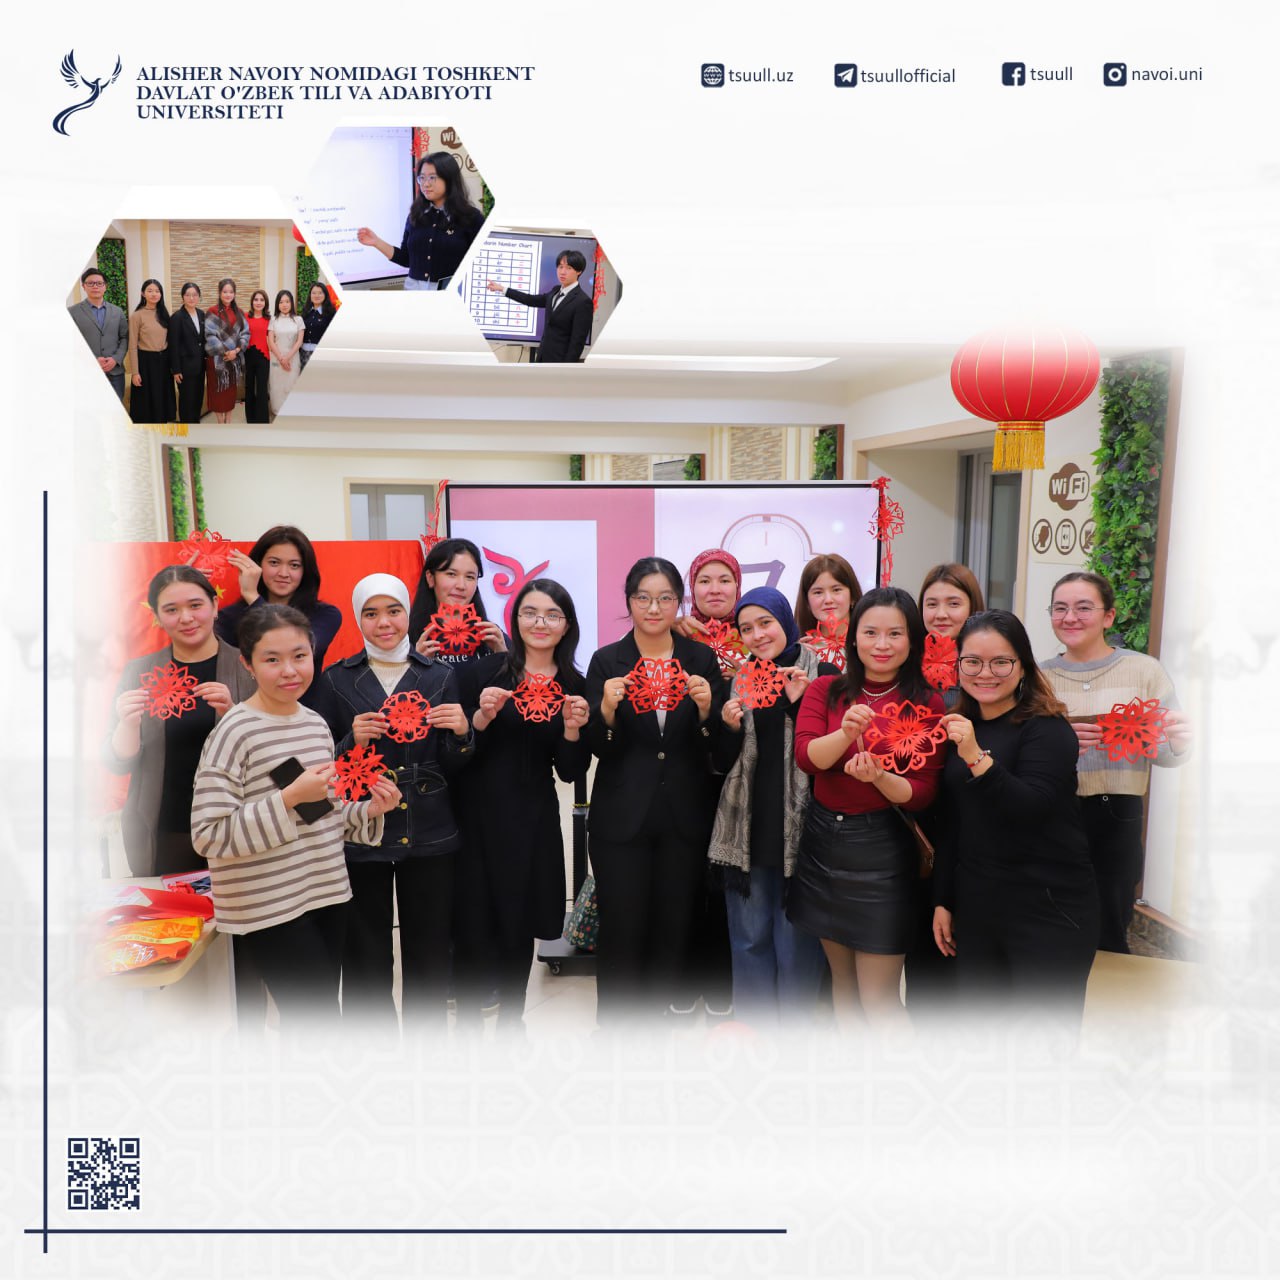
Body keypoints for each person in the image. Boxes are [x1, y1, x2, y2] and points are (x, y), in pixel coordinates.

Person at [191, 604, 400, 1029]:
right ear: (248, 664)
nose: (289, 671)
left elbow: (320, 815)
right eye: (272, 659)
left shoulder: (315, 724)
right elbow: (209, 834)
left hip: (325, 891)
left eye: (300, 656)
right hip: (268, 905)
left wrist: (370, 810)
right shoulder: (234, 730)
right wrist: (287, 798)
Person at [313, 575, 474, 1033]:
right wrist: (351, 740)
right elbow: (320, 763)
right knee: (364, 950)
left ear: (408, 613)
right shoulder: (336, 678)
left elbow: (455, 763)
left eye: (393, 611)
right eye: (371, 613)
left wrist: (463, 732)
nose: (383, 622)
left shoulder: (440, 675)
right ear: (358, 618)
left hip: (430, 827)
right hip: (363, 828)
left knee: (429, 948)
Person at [789, 586, 944, 1035]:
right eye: (871, 632)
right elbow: (806, 758)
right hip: (824, 845)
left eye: (895, 633)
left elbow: (922, 793)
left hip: (883, 851)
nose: (882, 644)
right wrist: (846, 734)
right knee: (842, 984)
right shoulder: (825, 689)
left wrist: (878, 776)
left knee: (879, 998)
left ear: (912, 640)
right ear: (853, 637)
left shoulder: (927, 701)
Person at [932, 610, 1100, 1022]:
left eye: (1000, 662)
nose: (985, 673)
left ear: (1022, 665)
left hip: (1049, 907)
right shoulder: (963, 724)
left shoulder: (1047, 728)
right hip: (979, 904)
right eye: (972, 661)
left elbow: (1030, 807)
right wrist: (943, 900)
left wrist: (975, 756)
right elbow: (953, 821)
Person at [583, 557, 725, 1026]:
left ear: (679, 603)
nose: (653, 607)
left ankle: (662, 1024)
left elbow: (715, 745)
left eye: (665, 598)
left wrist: (705, 712)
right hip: (621, 818)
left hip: (684, 816)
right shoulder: (607, 660)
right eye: (643, 597)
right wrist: (606, 711)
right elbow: (598, 747)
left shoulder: (700, 658)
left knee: (674, 924)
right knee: (622, 926)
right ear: (629, 601)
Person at [452, 578, 591, 1036]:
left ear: (566, 625)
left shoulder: (575, 685)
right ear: (515, 620)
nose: (540, 623)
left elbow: (570, 772)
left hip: (534, 818)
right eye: (530, 612)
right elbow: (454, 753)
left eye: (552, 615)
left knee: (518, 921)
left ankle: (512, 1022)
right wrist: (480, 718)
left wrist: (572, 730)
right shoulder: (484, 672)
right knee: (473, 919)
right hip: (477, 814)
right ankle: (469, 1024)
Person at [1040, 571, 1192, 953]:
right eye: (1060, 608)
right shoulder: (1038, 678)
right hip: (1054, 812)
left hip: (1118, 813)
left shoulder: (1144, 671)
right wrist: (1060, 745)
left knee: (1110, 923)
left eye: (1083, 608)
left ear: (1108, 616)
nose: (1070, 617)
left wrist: (1178, 743)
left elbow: (1166, 753)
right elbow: (1025, 755)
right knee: (1053, 922)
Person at [708, 587, 837, 1029]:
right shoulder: (740, 679)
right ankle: (755, 1035)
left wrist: (800, 703)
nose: (757, 635)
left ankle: (794, 1039)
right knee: (748, 939)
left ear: (785, 620)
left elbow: (831, 752)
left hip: (803, 829)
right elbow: (721, 763)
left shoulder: (823, 673)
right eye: (747, 628)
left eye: (766, 623)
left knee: (797, 944)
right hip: (747, 828)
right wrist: (727, 728)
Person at [104, 565, 255, 877]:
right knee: (170, 908)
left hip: (235, 825)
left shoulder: (248, 667)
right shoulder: (139, 672)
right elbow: (117, 764)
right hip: (163, 827)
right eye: (171, 610)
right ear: (158, 617)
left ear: (215, 606)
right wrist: (128, 725)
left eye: (195, 605)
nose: (186, 618)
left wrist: (232, 714)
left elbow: (271, 754)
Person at [670, 547, 744, 1018]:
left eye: (724, 580)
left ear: (738, 586)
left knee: (726, 885)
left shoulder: (757, 635)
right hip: (686, 777)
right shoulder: (675, 639)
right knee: (684, 881)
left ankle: (722, 983)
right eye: (704, 580)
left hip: (740, 779)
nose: (715, 589)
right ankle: (682, 982)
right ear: (691, 589)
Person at [216, 525, 343, 697]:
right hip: (247, 708)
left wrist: (252, 596)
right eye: (274, 563)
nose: (284, 573)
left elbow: (293, 645)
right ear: (258, 564)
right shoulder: (230, 617)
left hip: (303, 711)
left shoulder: (325, 615)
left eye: (294, 565)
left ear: (305, 571)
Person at [357, 152, 484, 291]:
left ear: (449, 179)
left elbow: (481, 264)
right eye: (422, 178)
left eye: (432, 178)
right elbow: (406, 259)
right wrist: (376, 242)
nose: (425, 184)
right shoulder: (415, 215)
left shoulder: (471, 217)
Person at [407, 537, 508, 672]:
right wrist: (416, 666)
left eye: (470, 577)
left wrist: (502, 656)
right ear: (430, 578)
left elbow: (519, 682)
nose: (461, 585)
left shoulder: (492, 635)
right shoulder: (406, 636)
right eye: (451, 574)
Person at [486, 249, 593, 363]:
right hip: (542, 358)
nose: (562, 272)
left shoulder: (583, 301)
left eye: (568, 268)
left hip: (560, 363)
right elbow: (530, 300)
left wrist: (566, 368)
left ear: (579, 271)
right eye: (560, 267)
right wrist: (503, 289)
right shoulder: (555, 291)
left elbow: (577, 343)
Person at [69, 266, 128, 401]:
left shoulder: (118, 311)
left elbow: (124, 337)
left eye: (99, 283)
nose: (95, 286)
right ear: (83, 286)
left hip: (115, 373)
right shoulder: (72, 312)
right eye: (90, 283)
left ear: (105, 286)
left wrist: (116, 359)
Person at [126, 278, 175, 424]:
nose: (154, 294)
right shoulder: (137, 315)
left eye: (157, 291)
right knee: (146, 403)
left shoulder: (164, 313)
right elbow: (132, 346)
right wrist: (135, 372)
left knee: (162, 400)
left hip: (164, 362)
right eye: (150, 291)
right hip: (146, 363)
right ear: (143, 293)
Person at [204, 278, 247, 424]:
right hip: (217, 360)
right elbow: (210, 335)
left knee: (230, 391)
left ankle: (228, 419)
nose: (228, 295)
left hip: (234, 359)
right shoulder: (212, 311)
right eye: (225, 292)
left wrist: (236, 350)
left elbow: (245, 333)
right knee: (217, 392)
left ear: (234, 294)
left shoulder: (239, 312)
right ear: (219, 293)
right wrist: (225, 351)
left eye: (231, 292)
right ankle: (219, 421)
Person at [794, 553, 864, 639]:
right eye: (818, 592)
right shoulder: (800, 646)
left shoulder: (871, 643)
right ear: (807, 601)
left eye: (836, 590)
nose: (828, 600)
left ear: (852, 596)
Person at [169, 282, 207, 424]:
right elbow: (173, 345)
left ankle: (195, 429)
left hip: (200, 367)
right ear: (183, 297)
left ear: (199, 297)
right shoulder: (177, 317)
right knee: (187, 403)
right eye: (188, 295)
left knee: (197, 400)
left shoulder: (201, 314)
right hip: (184, 369)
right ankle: (186, 432)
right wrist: (176, 370)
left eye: (195, 295)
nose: (191, 298)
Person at [267, 289, 305, 415]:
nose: (284, 305)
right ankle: (277, 411)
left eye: (287, 301)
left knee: (292, 384)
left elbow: (299, 341)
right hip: (276, 359)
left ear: (291, 303)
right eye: (281, 302)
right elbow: (271, 341)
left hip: (293, 358)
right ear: (277, 304)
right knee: (276, 385)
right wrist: (281, 359)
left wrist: (287, 358)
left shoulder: (298, 320)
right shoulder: (273, 320)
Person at [242, 289, 272, 424]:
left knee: (262, 389)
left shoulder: (270, 319)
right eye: (256, 299)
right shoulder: (245, 317)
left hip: (263, 357)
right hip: (248, 355)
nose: (258, 302)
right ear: (252, 302)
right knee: (249, 387)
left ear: (265, 303)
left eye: (261, 300)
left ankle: (262, 420)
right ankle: (251, 419)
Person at [300, 282, 336, 370]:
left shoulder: (331, 313)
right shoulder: (305, 311)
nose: (317, 295)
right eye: (314, 293)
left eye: (320, 293)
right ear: (310, 295)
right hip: (303, 354)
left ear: (325, 295)